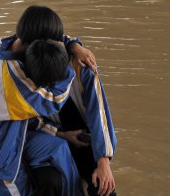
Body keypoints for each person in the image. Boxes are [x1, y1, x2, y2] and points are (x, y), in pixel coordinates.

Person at [0, 5, 95, 196]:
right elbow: (55, 100)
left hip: (16, 130)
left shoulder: (2, 45)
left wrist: (74, 45)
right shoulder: (13, 82)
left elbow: (25, 119)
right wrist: (66, 67)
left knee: (59, 148)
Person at [26, 44, 117, 196]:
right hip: (51, 140)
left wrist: (103, 162)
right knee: (49, 182)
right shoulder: (27, 75)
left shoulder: (83, 67)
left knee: (103, 186)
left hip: (83, 140)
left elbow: (100, 115)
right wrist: (61, 135)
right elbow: (29, 121)